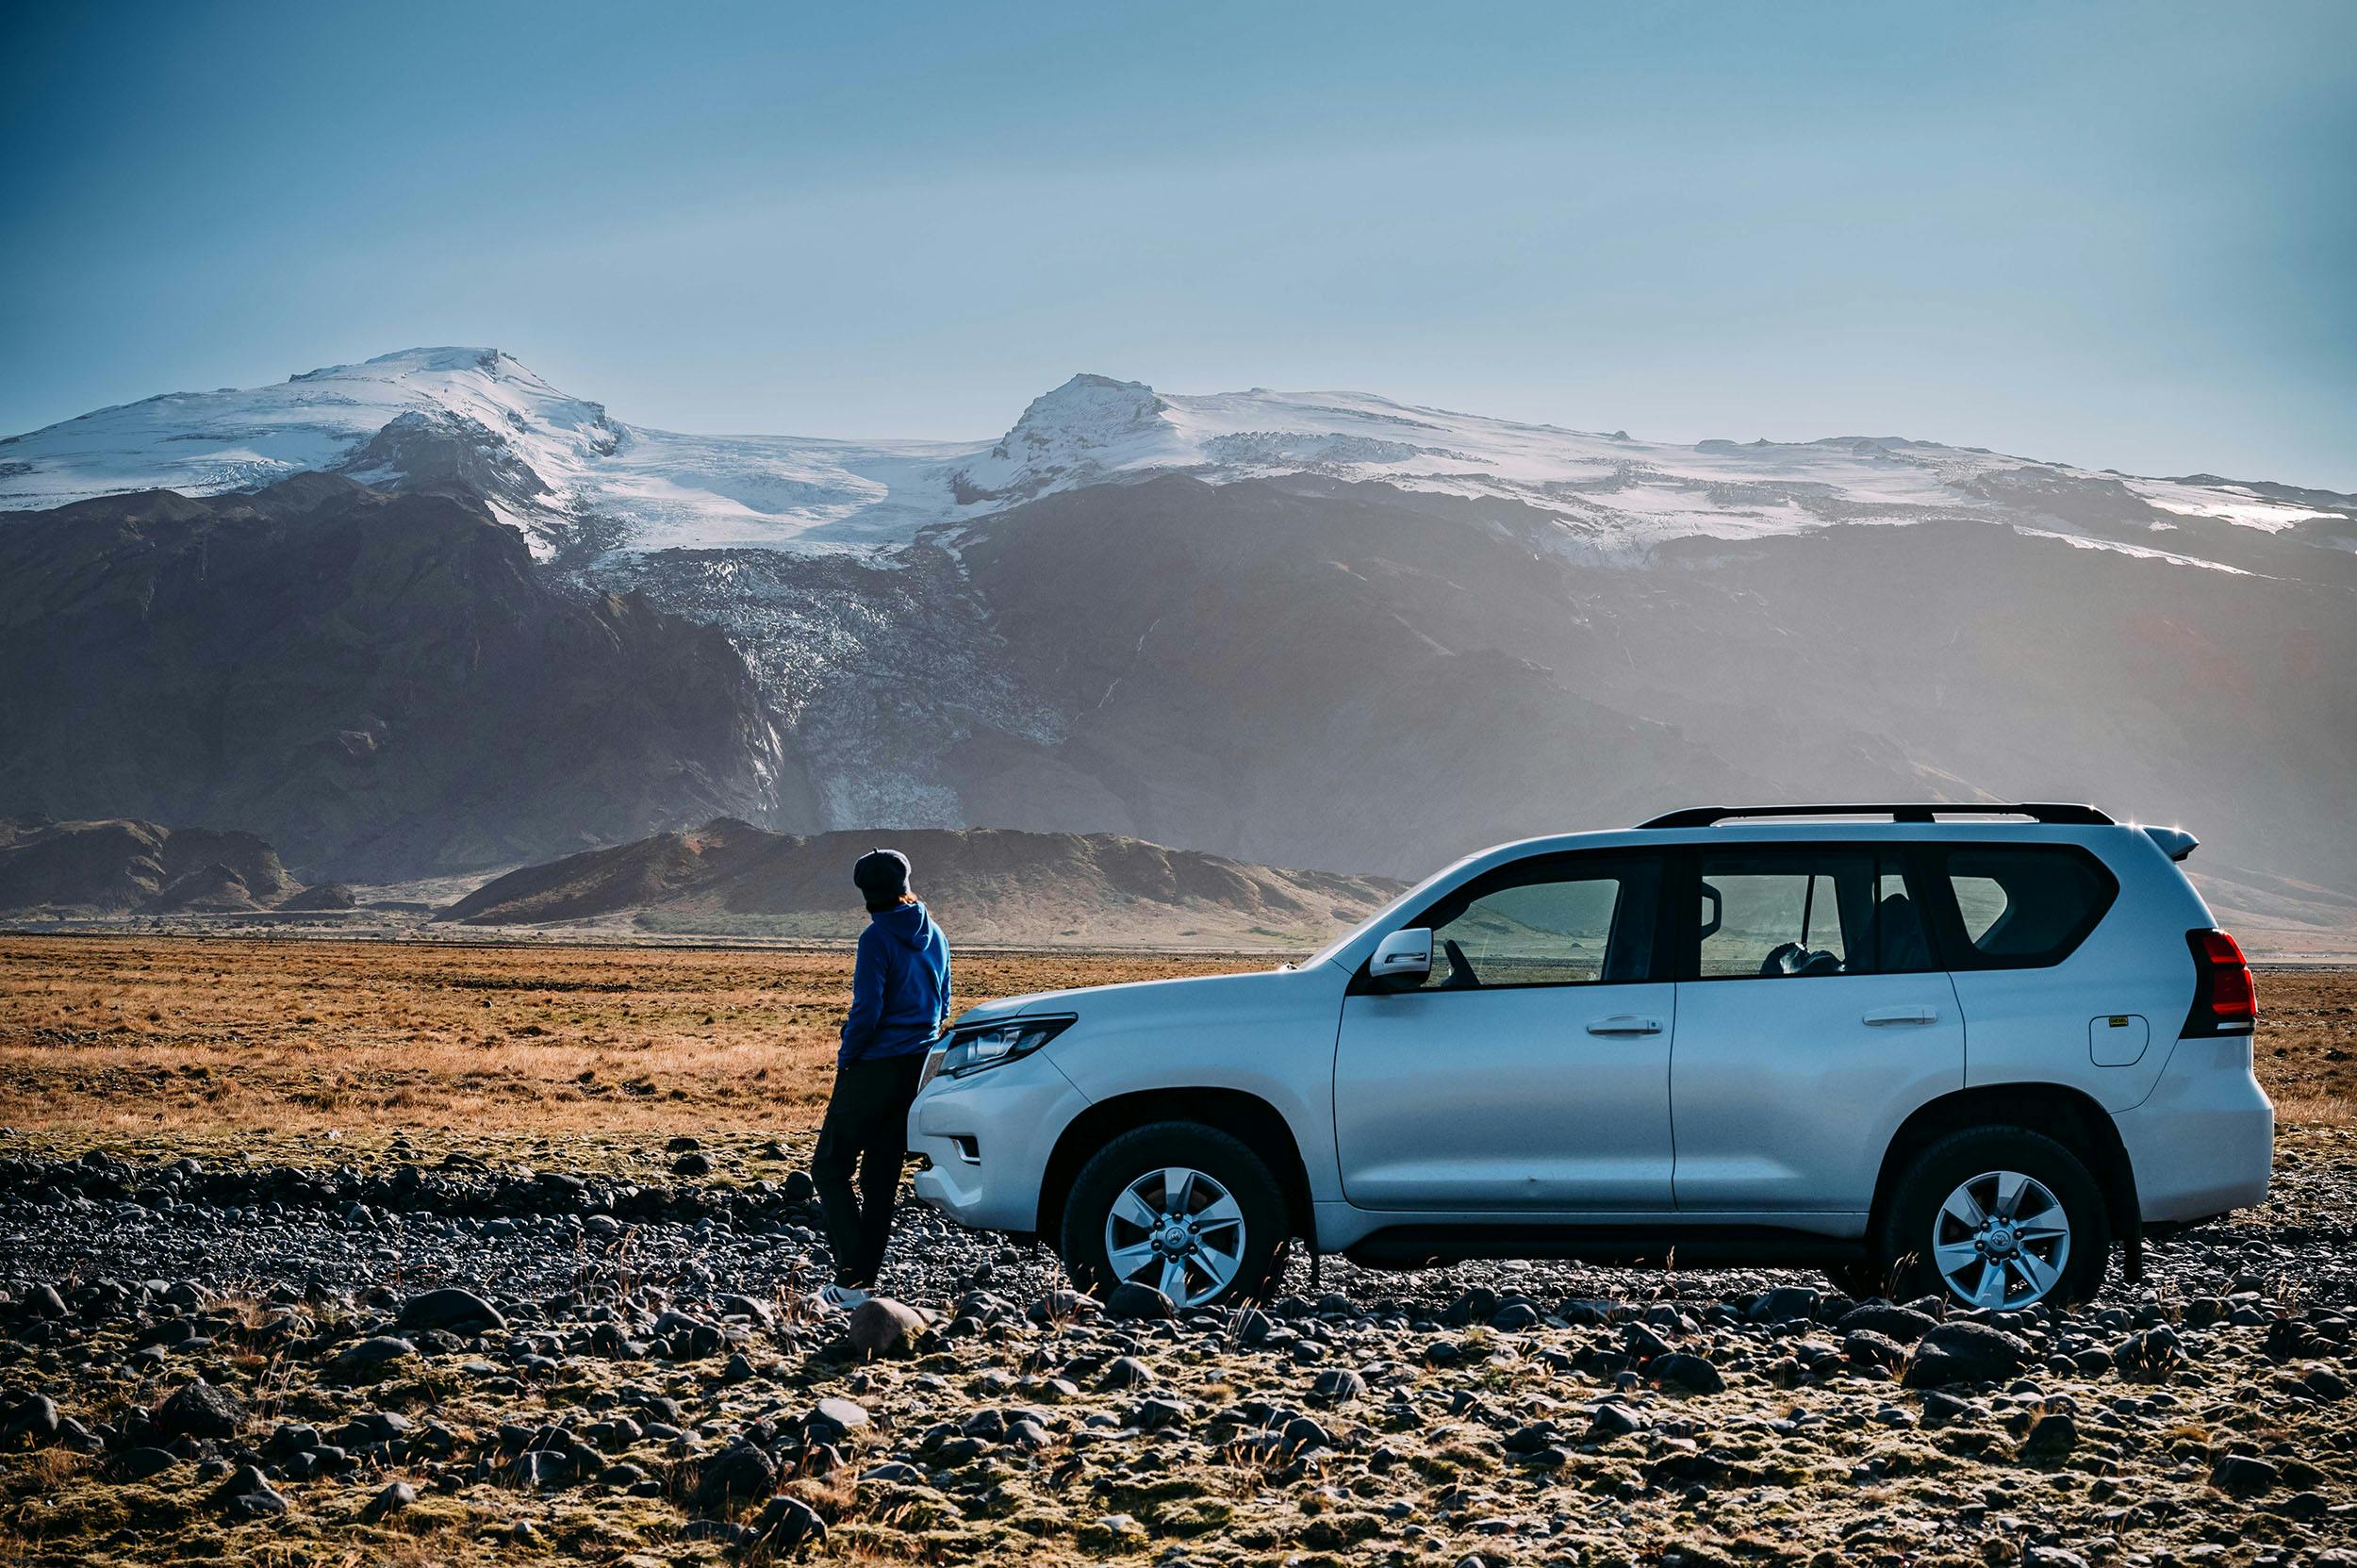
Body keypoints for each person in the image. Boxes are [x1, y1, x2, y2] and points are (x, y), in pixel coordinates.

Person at [809, 847, 951, 1309]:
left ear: (866, 894)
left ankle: (851, 1279)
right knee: (880, 1176)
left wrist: (847, 1055)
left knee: (830, 1167)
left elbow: (868, 1009)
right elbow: (943, 1004)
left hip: (873, 1067)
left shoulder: (876, 938)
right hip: (916, 1068)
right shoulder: (936, 934)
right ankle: (860, 1285)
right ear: (905, 884)